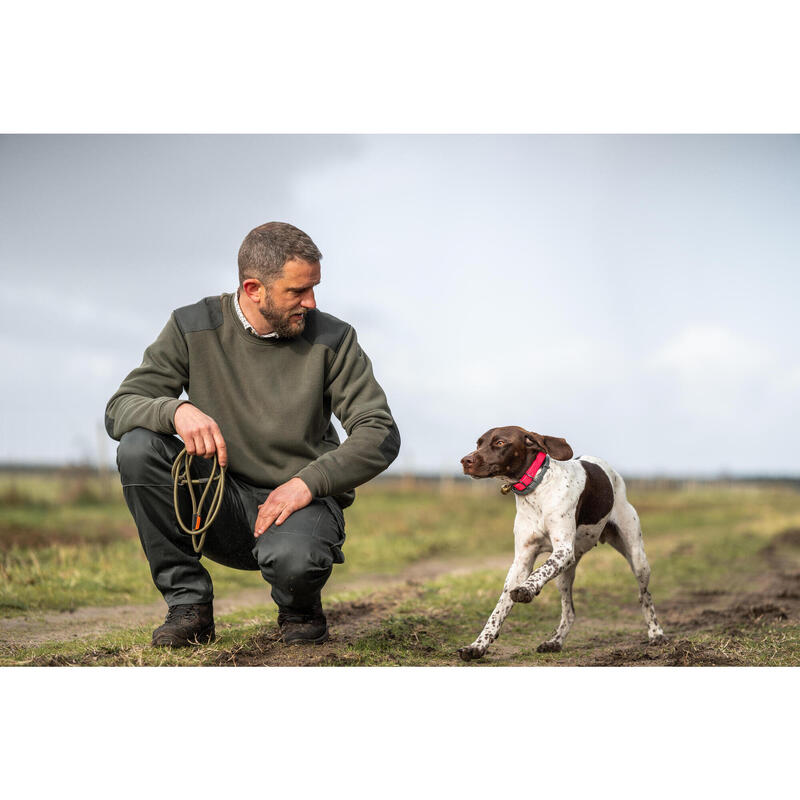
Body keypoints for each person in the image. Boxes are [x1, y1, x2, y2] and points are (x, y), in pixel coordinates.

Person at [105, 222, 400, 647]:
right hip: (216, 504)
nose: (311, 302)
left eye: (314, 288)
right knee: (138, 446)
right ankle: (189, 607)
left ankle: (299, 607)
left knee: (296, 563)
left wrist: (307, 483)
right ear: (254, 288)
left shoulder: (334, 338)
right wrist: (176, 410)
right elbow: (121, 407)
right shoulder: (192, 326)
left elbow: (380, 431)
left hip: (300, 504)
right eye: (297, 292)